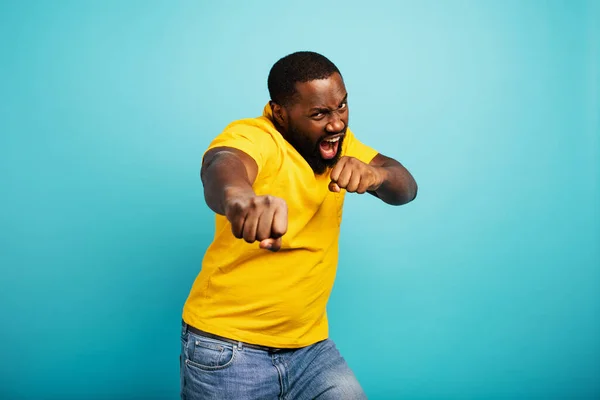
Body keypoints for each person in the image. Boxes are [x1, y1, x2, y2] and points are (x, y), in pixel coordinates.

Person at [180, 51, 417, 400]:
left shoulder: (339, 144)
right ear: (280, 112)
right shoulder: (254, 136)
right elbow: (222, 165)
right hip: (228, 349)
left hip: (310, 348)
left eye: (342, 106)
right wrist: (239, 199)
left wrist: (376, 175)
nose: (336, 123)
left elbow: (405, 187)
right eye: (319, 113)